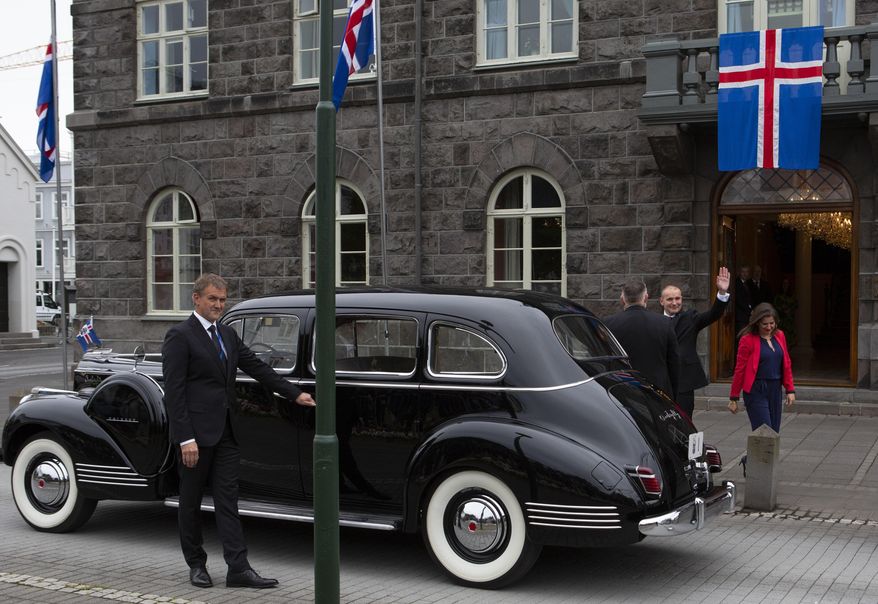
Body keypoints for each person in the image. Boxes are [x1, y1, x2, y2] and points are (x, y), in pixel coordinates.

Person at [162, 273, 316, 589]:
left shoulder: (227, 334)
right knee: (190, 503)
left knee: (228, 502)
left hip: (227, 434)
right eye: (212, 299)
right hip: (195, 438)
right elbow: (174, 393)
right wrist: (185, 438)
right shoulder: (180, 336)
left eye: (222, 300)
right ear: (196, 298)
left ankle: (238, 569)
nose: (219, 305)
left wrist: (294, 393)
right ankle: (196, 565)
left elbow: (257, 367)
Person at [659, 266, 731, 420]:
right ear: (661, 301)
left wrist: (722, 293)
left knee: (685, 421)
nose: (674, 303)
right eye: (670, 299)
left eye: (677, 298)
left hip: (684, 382)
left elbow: (713, 314)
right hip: (661, 382)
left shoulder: (690, 318)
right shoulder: (654, 321)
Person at [604, 279, 680, 401]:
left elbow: (605, 360)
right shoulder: (664, 323)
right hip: (657, 391)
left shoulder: (608, 323)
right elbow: (674, 363)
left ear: (622, 299)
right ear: (645, 298)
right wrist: (673, 395)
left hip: (622, 391)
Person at [728, 303, 795, 433]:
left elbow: (786, 363)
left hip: (775, 389)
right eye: (765, 324)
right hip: (756, 390)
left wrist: (790, 390)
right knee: (764, 431)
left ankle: (758, 449)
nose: (769, 327)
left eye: (772, 323)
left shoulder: (780, 335)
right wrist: (734, 397)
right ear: (757, 322)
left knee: (774, 432)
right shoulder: (747, 340)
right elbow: (740, 369)